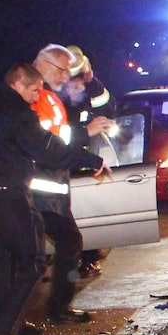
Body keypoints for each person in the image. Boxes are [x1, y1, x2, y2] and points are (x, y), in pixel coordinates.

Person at [0, 64, 109, 335]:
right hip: (9, 198)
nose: (36, 97)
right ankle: (3, 328)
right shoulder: (17, 113)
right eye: (34, 90)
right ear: (19, 84)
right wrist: (90, 158)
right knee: (31, 262)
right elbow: (49, 150)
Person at [30, 44, 115, 323]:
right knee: (61, 245)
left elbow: (105, 108)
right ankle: (53, 311)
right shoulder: (39, 98)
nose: (68, 78)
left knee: (37, 257)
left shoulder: (56, 97)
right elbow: (49, 142)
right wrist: (85, 136)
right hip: (39, 187)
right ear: (47, 66)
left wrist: (90, 158)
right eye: (64, 71)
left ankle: (26, 321)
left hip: (53, 183)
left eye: (71, 72)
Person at [61, 45, 114, 277]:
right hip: (59, 165)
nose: (81, 84)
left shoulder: (82, 92)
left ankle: (88, 258)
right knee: (64, 225)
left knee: (84, 216)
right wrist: (85, 132)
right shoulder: (51, 98)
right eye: (79, 79)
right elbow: (53, 138)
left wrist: (92, 82)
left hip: (78, 160)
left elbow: (108, 107)